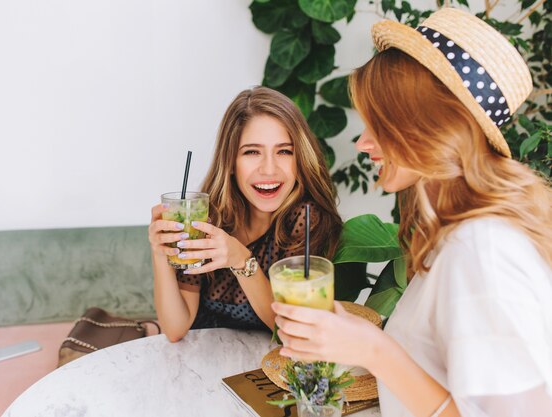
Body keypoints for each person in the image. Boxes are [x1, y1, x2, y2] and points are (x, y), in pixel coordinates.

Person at [271, 8, 552, 417]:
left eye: (378, 124)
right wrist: (352, 341)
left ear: (426, 124)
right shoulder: (456, 235)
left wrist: (373, 348)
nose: (365, 144)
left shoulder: (482, 251)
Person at [148, 86, 342, 342]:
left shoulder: (306, 220)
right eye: (252, 152)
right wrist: (160, 250)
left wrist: (241, 260)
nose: (269, 169)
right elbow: (175, 329)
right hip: (202, 354)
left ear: (300, 159)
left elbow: (292, 332)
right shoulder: (209, 216)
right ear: (229, 162)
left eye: (284, 151)